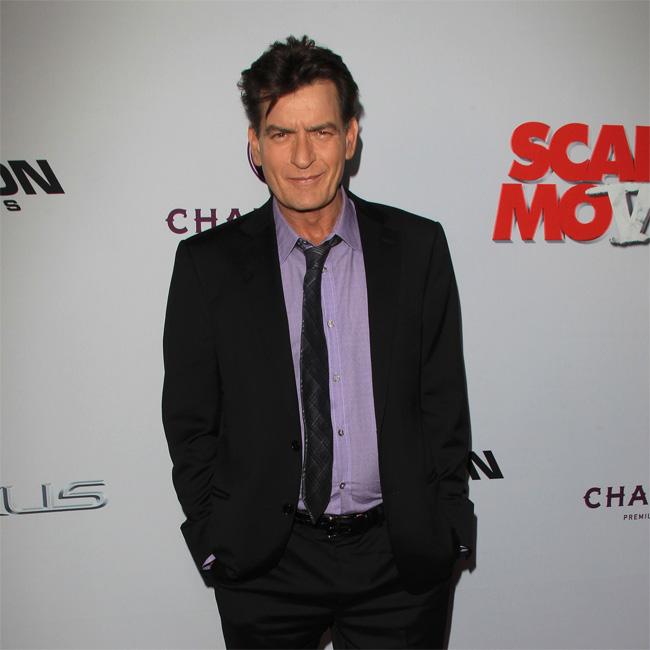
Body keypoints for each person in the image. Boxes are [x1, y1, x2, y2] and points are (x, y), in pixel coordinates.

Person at [162, 35, 473, 649]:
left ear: (350, 137)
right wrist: (213, 536)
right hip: (266, 564)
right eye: (281, 134)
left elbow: (443, 401)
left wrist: (449, 524)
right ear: (255, 144)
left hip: (398, 560)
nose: (303, 156)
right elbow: (191, 421)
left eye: (322, 132)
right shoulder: (207, 265)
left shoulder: (417, 249)